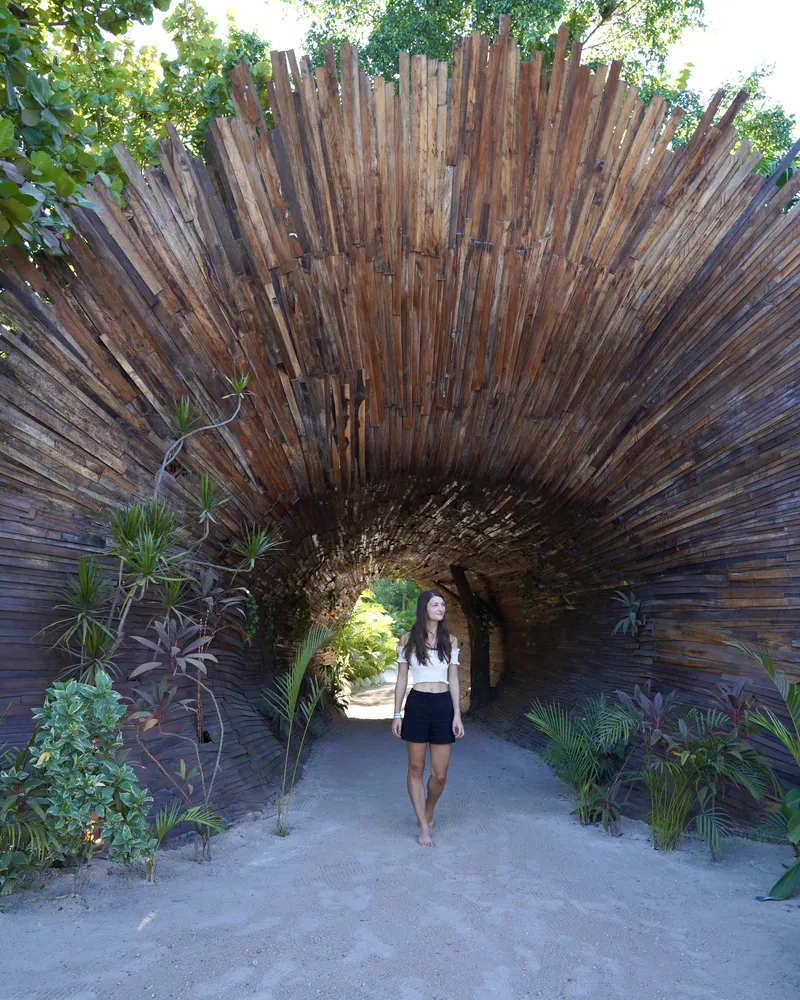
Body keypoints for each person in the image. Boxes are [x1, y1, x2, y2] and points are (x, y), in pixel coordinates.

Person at [391, 590, 465, 847]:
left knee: (440, 774)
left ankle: (429, 808)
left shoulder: (451, 640)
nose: (441, 608)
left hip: (443, 703)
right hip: (418, 703)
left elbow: (454, 679)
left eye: (443, 604)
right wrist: (397, 713)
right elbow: (401, 678)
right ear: (424, 608)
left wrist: (457, 714)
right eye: (435, 604)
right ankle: (423, 826)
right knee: (415, 768)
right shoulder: (408, 639)